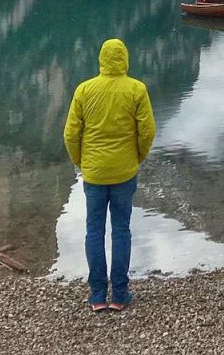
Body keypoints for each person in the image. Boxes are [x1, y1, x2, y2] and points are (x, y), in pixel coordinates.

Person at [63, 38, 156, 312]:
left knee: (93, 230)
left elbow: (70, 133)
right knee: (121, 230)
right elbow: (147, 131)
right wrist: (137, 157)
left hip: (93, 174)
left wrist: (80, 161)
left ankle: (96, 296)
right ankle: (120, 294)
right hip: (124, 173)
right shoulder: (136, 89)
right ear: (125, 59)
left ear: (101, 60)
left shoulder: (84, 90)